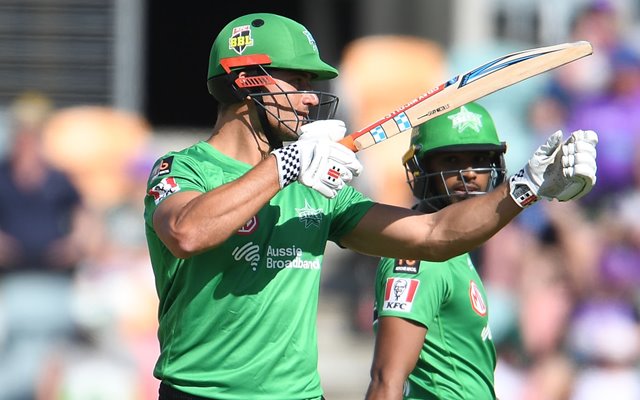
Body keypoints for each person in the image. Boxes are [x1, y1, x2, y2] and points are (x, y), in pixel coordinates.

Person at [143, 13, 598, 400]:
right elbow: (186, 232)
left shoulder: (317, 183)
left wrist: (526, 186)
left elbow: (432, 236)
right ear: (246, 82)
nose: (308, 98)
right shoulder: (182, 169)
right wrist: (282, 167)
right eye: (297, 81)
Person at [365, 102, 511, 400]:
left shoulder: (457, 249)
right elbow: (386, 379)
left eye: (480, 159)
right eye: (451, 160)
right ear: (420, 169)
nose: (469, 173)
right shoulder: (417, 256)